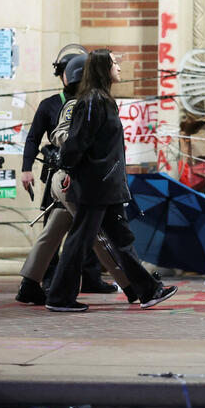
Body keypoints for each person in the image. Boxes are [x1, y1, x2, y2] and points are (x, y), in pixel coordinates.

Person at [45, 49, 177, 312]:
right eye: (114, 63)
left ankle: (148, 290)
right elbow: (78, 142)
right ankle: (59, 297)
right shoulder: (93, 101)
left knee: (122, 239)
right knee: (80, 240)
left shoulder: (102, 99)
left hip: (108, 185)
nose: (119, 68)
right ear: (103, 68)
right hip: (96, 186)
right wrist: (68, 165)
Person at [16, 53, 141, 305]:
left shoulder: (82, 101)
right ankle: (133, 286)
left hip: (69, 177)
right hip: (71, 178)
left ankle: (29, 283)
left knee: (54, 232)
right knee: (96, 235)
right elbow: (63, 138)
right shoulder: (80, 104)